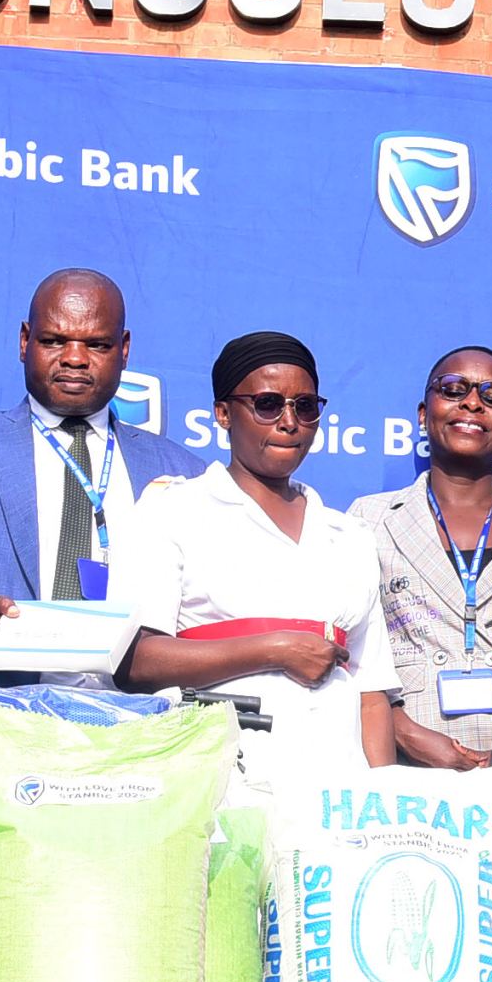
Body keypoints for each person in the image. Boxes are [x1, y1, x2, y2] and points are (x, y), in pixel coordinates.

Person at [0, 268, 207, 679]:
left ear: (124, 349)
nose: (74, 357)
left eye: (96, 344)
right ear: (25, 341)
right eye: (54, 340)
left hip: (136, 722)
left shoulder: (182, 473)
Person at [110, 333, 398, 777]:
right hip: (220, 785)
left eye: (305, 407)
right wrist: (275, 649)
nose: (289, 422)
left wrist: (382, 797)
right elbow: (135, 661)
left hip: (336, 792)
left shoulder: (350, 536)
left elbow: (371, 692)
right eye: (267, 404)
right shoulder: (173, 511)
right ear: (224, 413)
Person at [349, 346, 492, 769]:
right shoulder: (368, 520)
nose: (472, 402)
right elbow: (351, 654)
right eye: (453, 389)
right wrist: (404, 732)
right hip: (401, 758)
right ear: (422, 412)